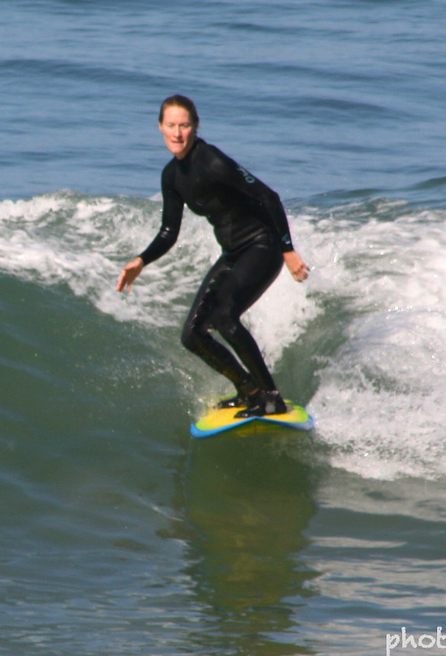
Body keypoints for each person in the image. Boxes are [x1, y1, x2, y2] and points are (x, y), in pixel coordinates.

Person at [116, 94, 310, 418]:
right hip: (234, 253)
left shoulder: (213, 162)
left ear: (195, 127)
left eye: (184, 125)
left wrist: (288, 250)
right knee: (192, 335)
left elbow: (269, 196)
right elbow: (169, 232)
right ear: (160, 127)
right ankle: (248, 390)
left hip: (263, 247)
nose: (177, 134)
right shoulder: (172, 176)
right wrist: (141, 260)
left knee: (225, 316)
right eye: (171, 126)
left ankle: (270, 396)